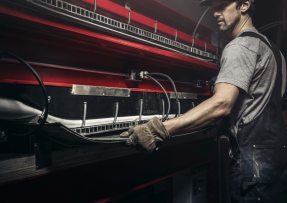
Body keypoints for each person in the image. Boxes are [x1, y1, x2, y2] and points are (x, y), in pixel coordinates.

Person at [120, 0, 287, 202]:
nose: (216, 12)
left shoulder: (240, 46)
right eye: (214, 7)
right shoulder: (274, 51)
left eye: (223, 5)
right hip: (274, 157)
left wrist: (158, 130)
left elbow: (222, 104)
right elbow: (255, 104)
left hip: (253, 164)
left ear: (244, 6)